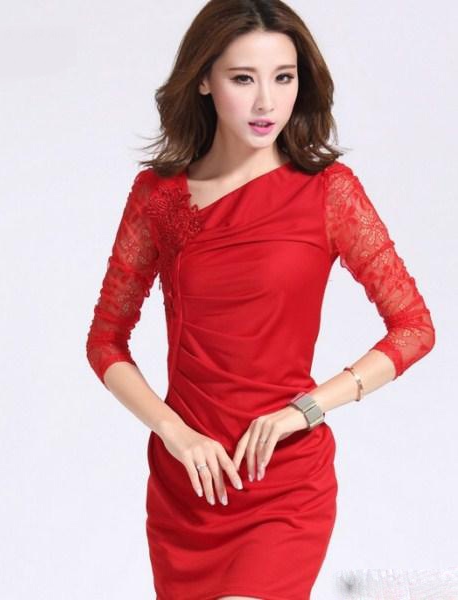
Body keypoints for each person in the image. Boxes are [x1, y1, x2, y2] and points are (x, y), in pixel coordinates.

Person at [85, 1, 436, 599]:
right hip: (187, 487)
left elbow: (413, 327)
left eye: (284, 77)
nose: (267, 102)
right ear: (204, 79)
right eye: (243, 79)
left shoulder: (329, 193)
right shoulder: (159, 198)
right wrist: (175, 433)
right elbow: (105, 342)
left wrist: (307, 409)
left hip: (285, 484)